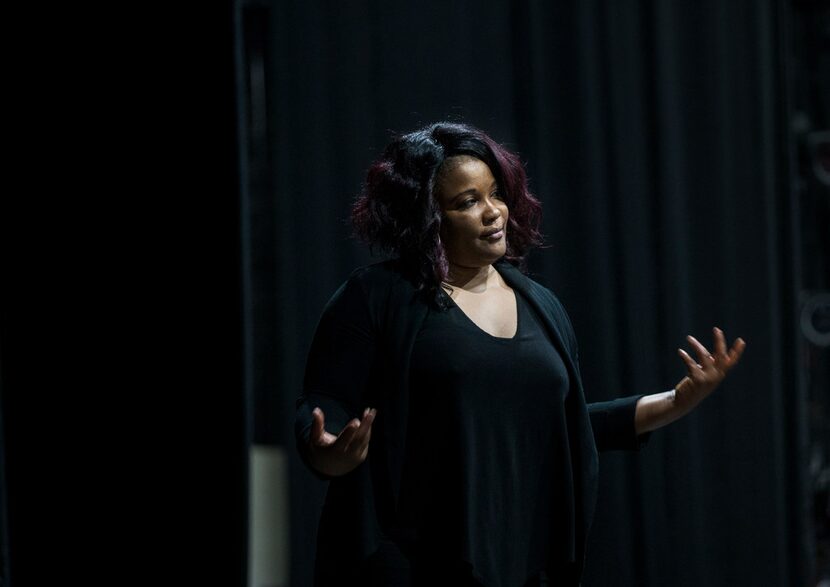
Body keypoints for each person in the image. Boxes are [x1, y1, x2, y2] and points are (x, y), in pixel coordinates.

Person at [294, 121, 746, 587]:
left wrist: (673, 401)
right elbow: (325, 402)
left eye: (495, 194)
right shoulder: (377, 297)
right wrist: (328, 451)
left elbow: (553, 427)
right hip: (412, 565)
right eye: (468, 202)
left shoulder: (540, 305)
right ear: (426, 219)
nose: (494, 213)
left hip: (522, 566)